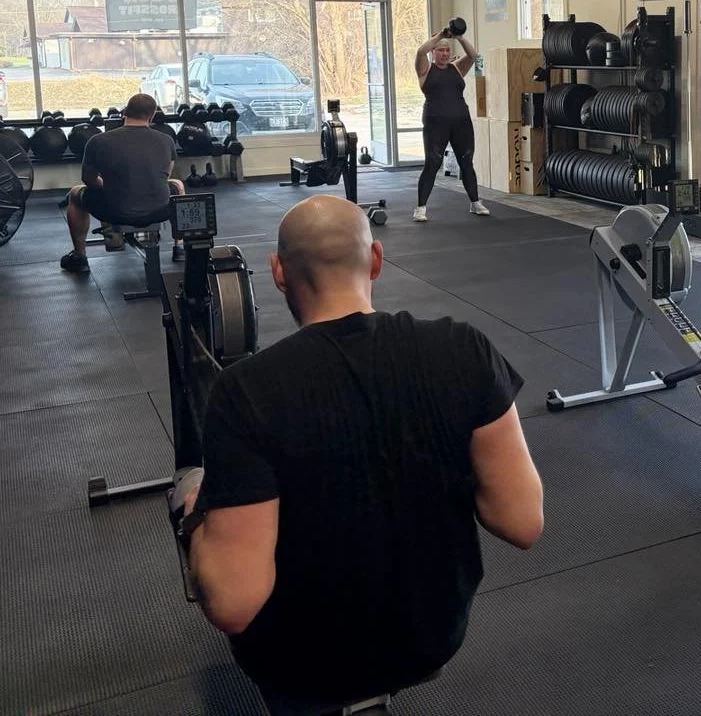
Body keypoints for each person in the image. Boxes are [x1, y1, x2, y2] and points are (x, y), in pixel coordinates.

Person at [174, 195, 544, 715]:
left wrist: (195, 513)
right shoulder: (465, 349)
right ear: (375, 259)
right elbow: (522, 522)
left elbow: (234, 604)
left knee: (191, 490)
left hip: (298, 664)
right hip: (431, 635)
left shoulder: (245, 392)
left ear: (278, 273)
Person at [60, 92, 183, 275]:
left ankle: (80, 256)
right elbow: (165, 176)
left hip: (114, 211)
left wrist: (107, 186)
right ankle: (179, 247)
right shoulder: (166, 140)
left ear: (125, 111)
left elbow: (89, 179)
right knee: (178, 185)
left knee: (75, 193)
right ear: (153, 115)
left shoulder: (98, 141)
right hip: (159, 210)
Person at [413, 26, 488, 222]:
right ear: (433, 52)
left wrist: (460, 37)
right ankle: (420, 208)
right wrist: (440, 35)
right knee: (433, 162)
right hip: (435, 122)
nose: (445, 54)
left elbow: (474, 55)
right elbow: (420, 51)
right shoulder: (424, 69)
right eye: (440, 50)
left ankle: (475, 203)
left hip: (461, 121)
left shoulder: (456, 68)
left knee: (466, 160)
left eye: (447, 50)